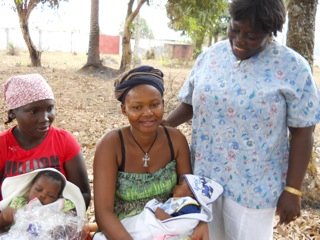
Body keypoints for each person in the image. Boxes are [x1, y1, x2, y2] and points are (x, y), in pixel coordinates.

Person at [164, 0, 320, 239]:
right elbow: (190, 103)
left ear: (270, 33)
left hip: (254, 188)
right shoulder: (211, 57)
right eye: (235, 30)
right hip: (205, 179)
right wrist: (162, 127)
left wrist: (293, 189)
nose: (239, 40)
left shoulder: (293, 68)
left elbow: (303, 131)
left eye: (252, 36)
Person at [93, 65, 209, 240]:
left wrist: (201, 222)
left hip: (169, 226)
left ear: (163, 103)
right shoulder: (111, 145)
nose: (148, 113)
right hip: (124, 231)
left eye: (154, 104)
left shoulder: (175, 140)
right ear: (124, 109)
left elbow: (189, 192)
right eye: (137, 107)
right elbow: (103, 213)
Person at [0, 73, 91, 208]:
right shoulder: (3, 145)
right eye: (33, 111)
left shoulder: (64, 141)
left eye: (49, 108)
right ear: (13, 112)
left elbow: (83, 194)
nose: (45, 118)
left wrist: (56, 215)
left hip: (56, 221)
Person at [0, 168, 87, 239]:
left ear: (57, 197)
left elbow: (72, 218)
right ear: (30, 188)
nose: (42, 195)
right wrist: (5, 217)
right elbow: (4, 220)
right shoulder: (20, 202)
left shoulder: (60, 205)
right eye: (38, 189)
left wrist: (65, 227)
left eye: (50, 195)